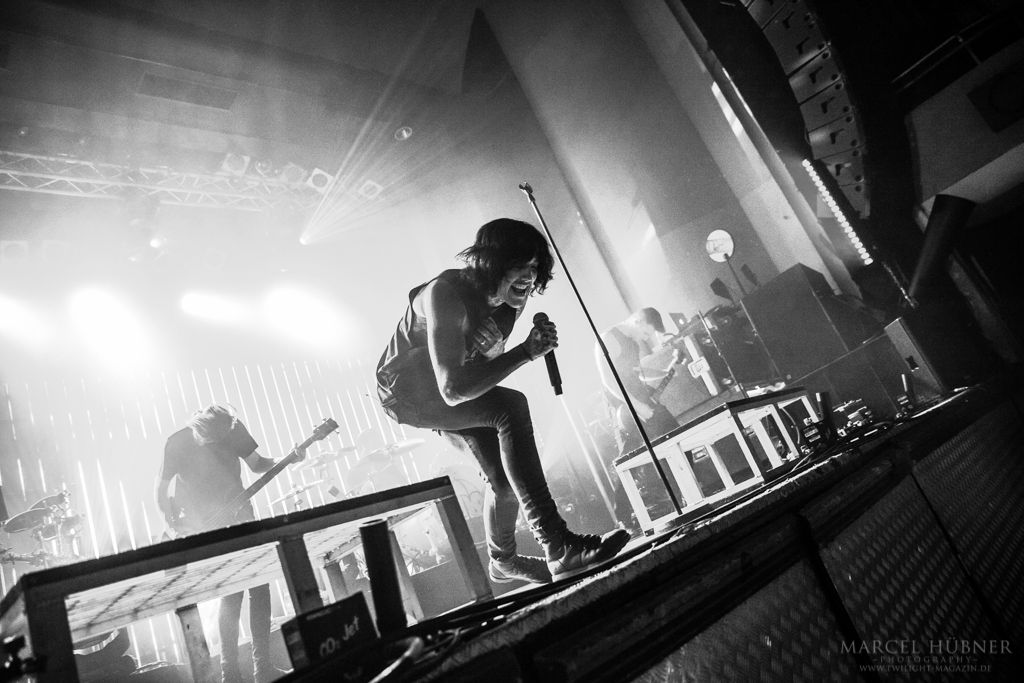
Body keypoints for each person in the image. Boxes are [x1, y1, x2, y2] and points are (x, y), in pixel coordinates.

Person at [376, 218, 629, 584]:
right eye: (520, 266)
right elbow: (453, 389)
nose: (529, 277)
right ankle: (558, 545)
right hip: (406, 389)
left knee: (505, 484)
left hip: (452, 388)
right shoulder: (445, 294)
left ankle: (503, 560)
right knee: (510, 407)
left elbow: (479, 369)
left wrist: (504, 351)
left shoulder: (511, 303)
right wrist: (525, 352)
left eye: (535, 268)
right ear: (491, 263)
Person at [156, 404, 300, 683]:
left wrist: (288, 458)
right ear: (199, 426)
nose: (216, 442)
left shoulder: (233, 428)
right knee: (231, 592)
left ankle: (263, 668)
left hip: (242, 515)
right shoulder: (177, 441)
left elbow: (257, 464)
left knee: (260, 586)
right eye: (210, 438)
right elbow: (161, 490)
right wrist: (172, 525)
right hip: (206, 525)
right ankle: (230, 674)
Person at [597, 308, 682, 456]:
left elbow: (637, 373)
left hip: (642, 403)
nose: (645, 338)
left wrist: (667, 372)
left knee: (677, 438)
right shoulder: (609, 339)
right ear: (638, 321)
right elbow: (608, 380)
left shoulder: (633, 343)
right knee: (639, 458)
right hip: (624, 409)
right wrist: (637, 406)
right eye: (645, 333)